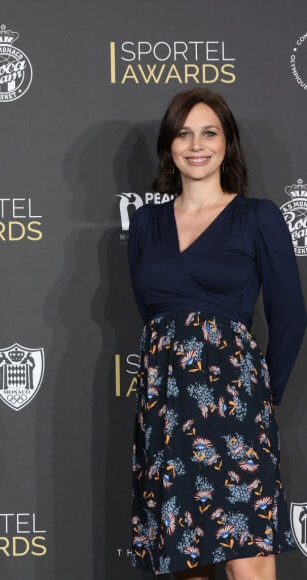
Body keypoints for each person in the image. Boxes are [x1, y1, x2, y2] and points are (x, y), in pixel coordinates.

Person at [127, 88, 306, 580]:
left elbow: (290, 316)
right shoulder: (145, 223)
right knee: (185, 564)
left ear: (228, 143)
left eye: (209, 132)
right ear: (169, 145)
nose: (196, 145)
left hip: (234, 406)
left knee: (247, 558)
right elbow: (154, 315)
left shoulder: (258, 217)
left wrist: (262, 395)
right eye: (183, 134)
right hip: (164, 408)